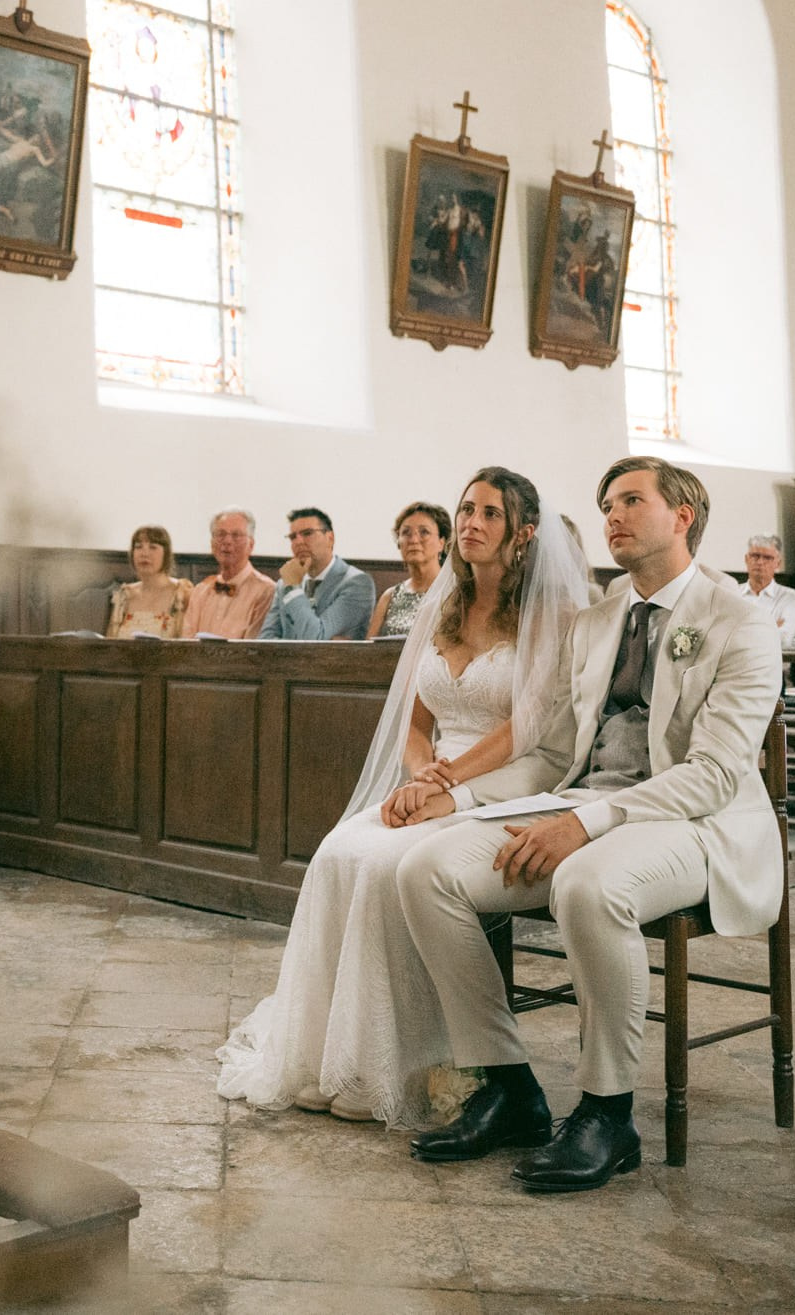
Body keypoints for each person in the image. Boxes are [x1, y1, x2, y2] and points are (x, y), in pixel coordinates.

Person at [398, 457, 783, 1193]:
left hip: (697, 823)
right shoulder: (596, 620)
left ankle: (608, 1112)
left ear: (683, 516)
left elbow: (714, 773)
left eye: (633, 499)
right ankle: (509, 1086)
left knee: (585, 883)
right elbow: (552, 756)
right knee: (428, 869)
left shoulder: (740, 622)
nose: (613, 513)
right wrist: (460, 798)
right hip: (583, 801)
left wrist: (587, 825)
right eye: (607, 502)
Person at [217, 468, 583, 1126]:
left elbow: (527, 725)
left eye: (490, 513)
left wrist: (448, 783)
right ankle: (331, 1055)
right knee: (340, 852)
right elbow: (415, 723)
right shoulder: (444, 606)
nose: (471, 521)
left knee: (390, 866)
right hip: (437, 775)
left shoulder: (548, 612)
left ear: (523, 533)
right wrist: (420, 775)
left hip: (514, 777)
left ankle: (403, 1062)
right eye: (465, 508)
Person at [261, 508, 376, 640]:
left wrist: (293, 589)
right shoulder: (284, 584)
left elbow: (316, 639)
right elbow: (265, 641)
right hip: (287, 661)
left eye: (307, 533)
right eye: (293, 537)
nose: (298, 542)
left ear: (330, 538)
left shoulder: (357, 583)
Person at [182, 509, 276, 639]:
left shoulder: (266, 590)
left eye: (236, 535)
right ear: (211, 543)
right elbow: (186, 643)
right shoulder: (200, 591)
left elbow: (254, 649)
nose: (227, 541)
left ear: (251, 545)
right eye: (220, 534)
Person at [367, 502, 449, 639]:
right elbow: (366, 653)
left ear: (442, 542)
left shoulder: (454, 591)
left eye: (424, 532)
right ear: (399, 543)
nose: (414, 540)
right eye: (406, 533)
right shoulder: (389, 596)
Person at [108, 525, 192, 639]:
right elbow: (110, 643)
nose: (144, 553)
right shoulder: (125, 595)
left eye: (153, 547)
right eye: (138, 547)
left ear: (166, 553)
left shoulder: (181, 593)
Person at [738, 534, 795, 638]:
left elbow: (785, 638)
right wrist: (771, 626)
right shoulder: (732, 593)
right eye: (755, 556)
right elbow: (724, 635)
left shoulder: (791, 597)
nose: (760, 562)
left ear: (778, 563)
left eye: (767, 558)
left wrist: (743, 631)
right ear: (746, 559)